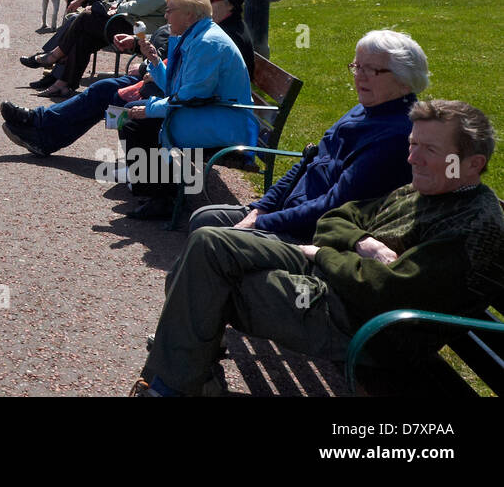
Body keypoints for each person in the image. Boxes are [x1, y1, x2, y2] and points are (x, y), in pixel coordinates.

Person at [133, 99, 504, 396]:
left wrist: (323, 253)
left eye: (430, 150)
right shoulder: (425, 187)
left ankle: (171, 386)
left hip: (362, 323)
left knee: (208, 282)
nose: (412, 158)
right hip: (334, 283)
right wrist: (363, 241)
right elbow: (337, 218)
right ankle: (184, 380)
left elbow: (388, 289)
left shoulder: (472, 224)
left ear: (473, 164)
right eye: (413, 145)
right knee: (210, 242)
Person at [188, 30, 425, 242]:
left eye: (371, 70)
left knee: (209, 240)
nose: (359, 76)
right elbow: (308, 160)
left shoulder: (394, 136)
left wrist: (261, 222)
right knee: (204, 218)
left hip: (310, 233)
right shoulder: (366, 108)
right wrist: (261, 208)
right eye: (357, 66)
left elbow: (334, 205)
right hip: (287, 212)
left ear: (404, 81)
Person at [2, 0, 215, 156]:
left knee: (107, 92)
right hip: (157, 72)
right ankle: (43, 119)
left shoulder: (200, 18)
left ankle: (44, 109)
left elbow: (188, 79)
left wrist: (146, 65)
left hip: (166, 87)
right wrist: (141, 45)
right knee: (90, 50)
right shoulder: (192, 11)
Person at [118, 0, 256, 219]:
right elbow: (179, 89)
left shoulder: (206, 43)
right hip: (211, 112)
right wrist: (154, 60)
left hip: (225, 123)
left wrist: (150, 109)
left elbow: (192, 95)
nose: (166, 15)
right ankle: (157, 190)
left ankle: (162, 198)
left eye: (171, 10)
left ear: (189, 14)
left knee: (138, 122)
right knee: (134, 114)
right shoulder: (196, 35)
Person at [26, 0, 176, 99]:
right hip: (127, 23)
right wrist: (116, 6)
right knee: (84, 37)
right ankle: (63, 84)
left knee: (85, 17)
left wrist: (117, 8)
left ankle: (55, 56)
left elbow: (140, 7)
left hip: (141, 32)